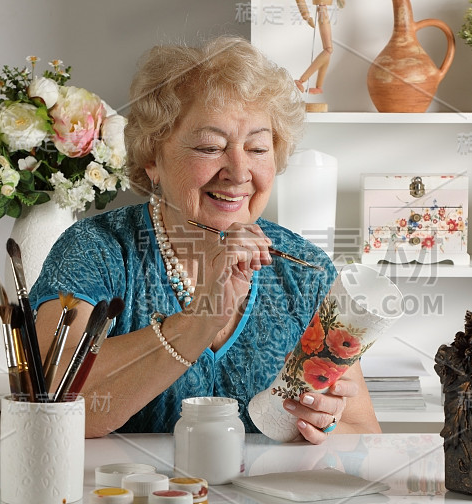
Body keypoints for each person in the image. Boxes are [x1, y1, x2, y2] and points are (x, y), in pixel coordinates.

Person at [30, 36, 380, 443]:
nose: (238, 170)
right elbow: (52, 405)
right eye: (210, 147)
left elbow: (363, 435)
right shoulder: (96, 251)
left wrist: (322, 428)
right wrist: (198, 321)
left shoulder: (305, 269)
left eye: (258, 148)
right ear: (152, 159)